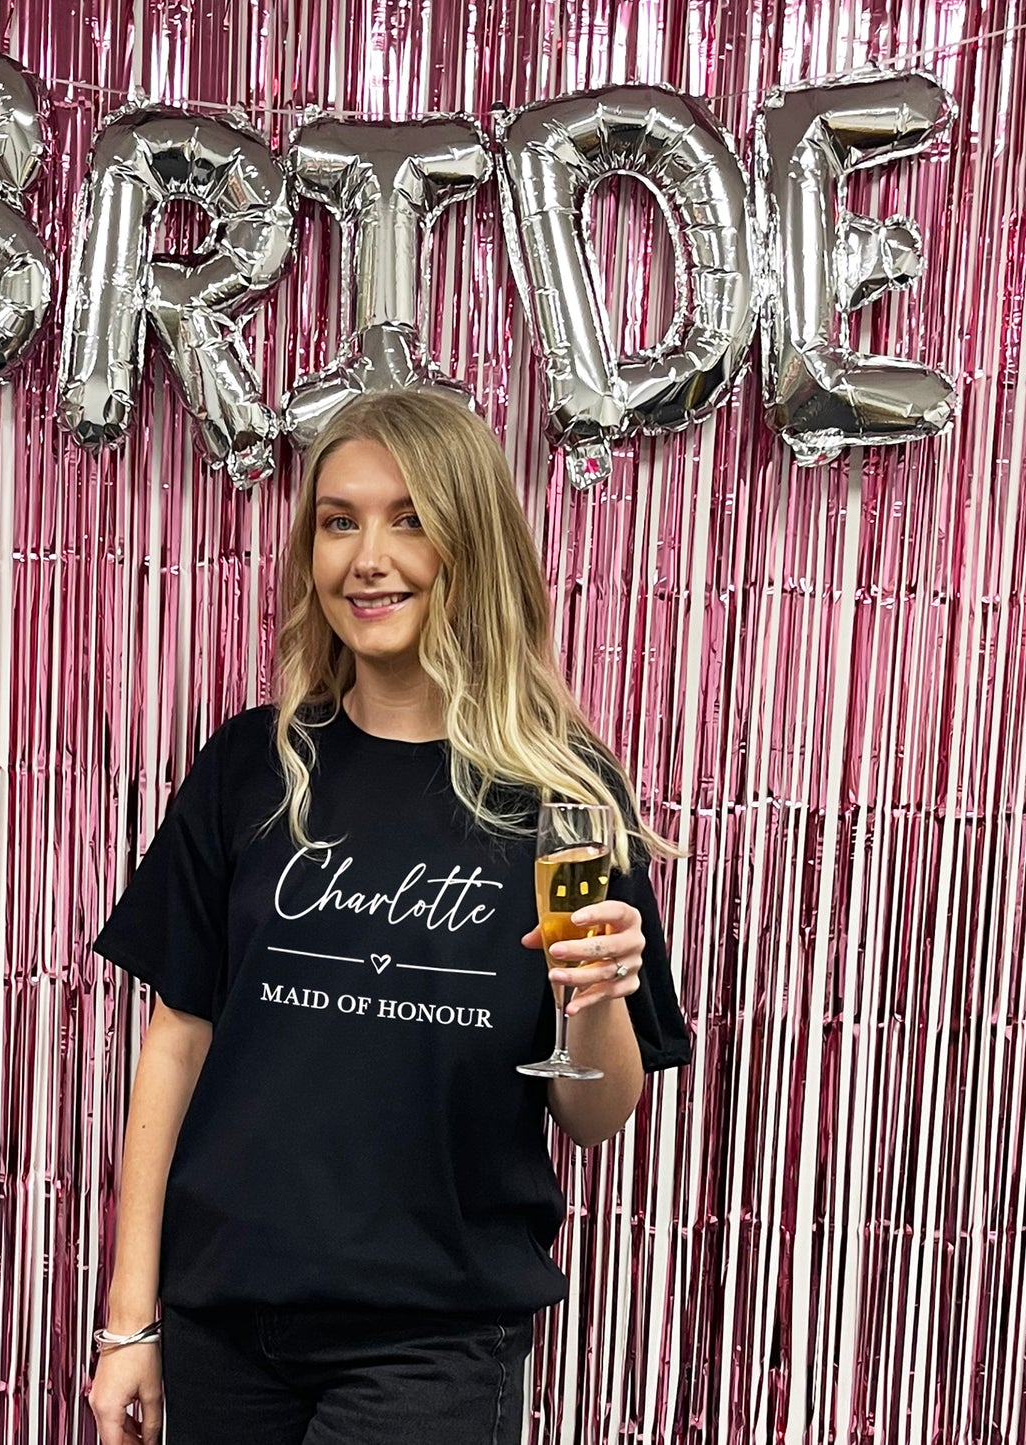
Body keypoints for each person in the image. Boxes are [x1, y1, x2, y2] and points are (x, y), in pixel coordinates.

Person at [87, 390, 691, 1445]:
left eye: (408, 517)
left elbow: (591, 1116)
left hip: (431, 1341)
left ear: (472, 544)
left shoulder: (558, 795)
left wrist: (598, 996)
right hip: (224, 1322)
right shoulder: (249, 767)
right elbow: (176, 1044)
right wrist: (127, 1322)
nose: (368, 556)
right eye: (339, 519)